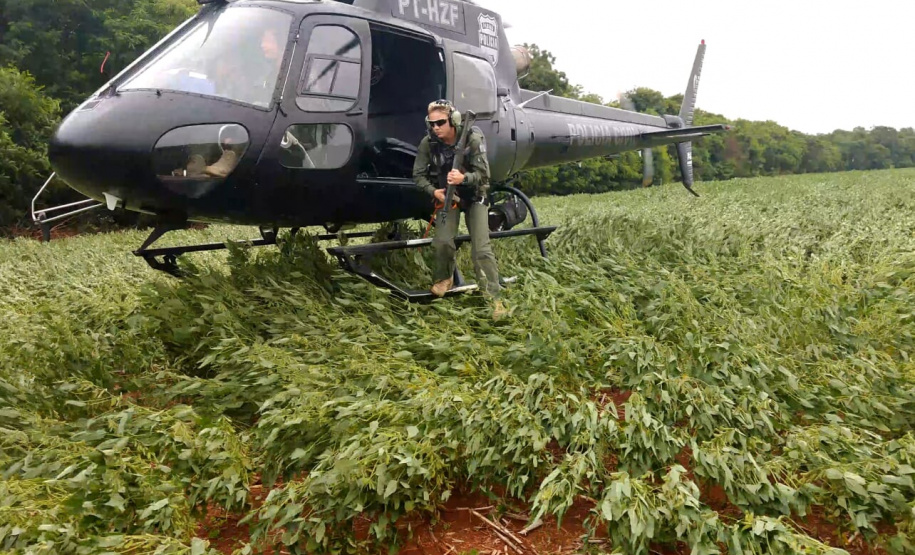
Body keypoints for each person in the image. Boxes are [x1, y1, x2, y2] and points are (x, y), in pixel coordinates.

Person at [413, 99, 507, 320]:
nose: (436, 128)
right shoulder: (429, 143)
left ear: (453, 121)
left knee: (481, 249)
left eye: (440, 123)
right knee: (442, 241)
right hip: (449, 197)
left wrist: (464, 178)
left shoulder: (472, 138)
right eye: (432, 124)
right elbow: (418, 175)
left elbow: (484, 175)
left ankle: (494, 298)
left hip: (475, 196)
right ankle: (444, 278)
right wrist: (434, 191)